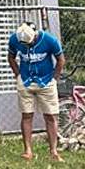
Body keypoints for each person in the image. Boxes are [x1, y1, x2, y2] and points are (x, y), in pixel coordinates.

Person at [9, 22, 65, 160]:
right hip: (26, 81)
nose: (27, 46)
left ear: (35, 35)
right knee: (27, 115)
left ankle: (53, 151)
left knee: (50, 116)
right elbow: (11, 57)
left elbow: (60, 59)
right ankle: (27, 150)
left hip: (46, 81)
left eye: (30, 43)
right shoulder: (14, 39)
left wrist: (54, 78)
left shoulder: (49, 40)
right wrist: (18, 76)